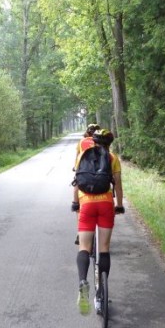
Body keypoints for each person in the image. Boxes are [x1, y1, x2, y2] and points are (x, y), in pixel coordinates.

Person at [71, 128, 125, 315]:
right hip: (105, 204)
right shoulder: (112, 158)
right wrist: (119, 205)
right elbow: (117, 185)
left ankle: (82, 282)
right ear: (109, 143)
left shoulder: (83, 156)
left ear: (93, 141)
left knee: (84, 247)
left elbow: (77, 182)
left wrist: (75, 203)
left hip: (86, 204)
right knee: (104, 248)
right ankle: (101, 292)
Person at [72, 123, 100, 245]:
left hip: (84, 172)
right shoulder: (101, 141)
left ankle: (80, 232)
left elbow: (77, 157)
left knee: (77, 191)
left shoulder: (82, 142)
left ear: (87, 132)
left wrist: (75, 167)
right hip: (99, 173)